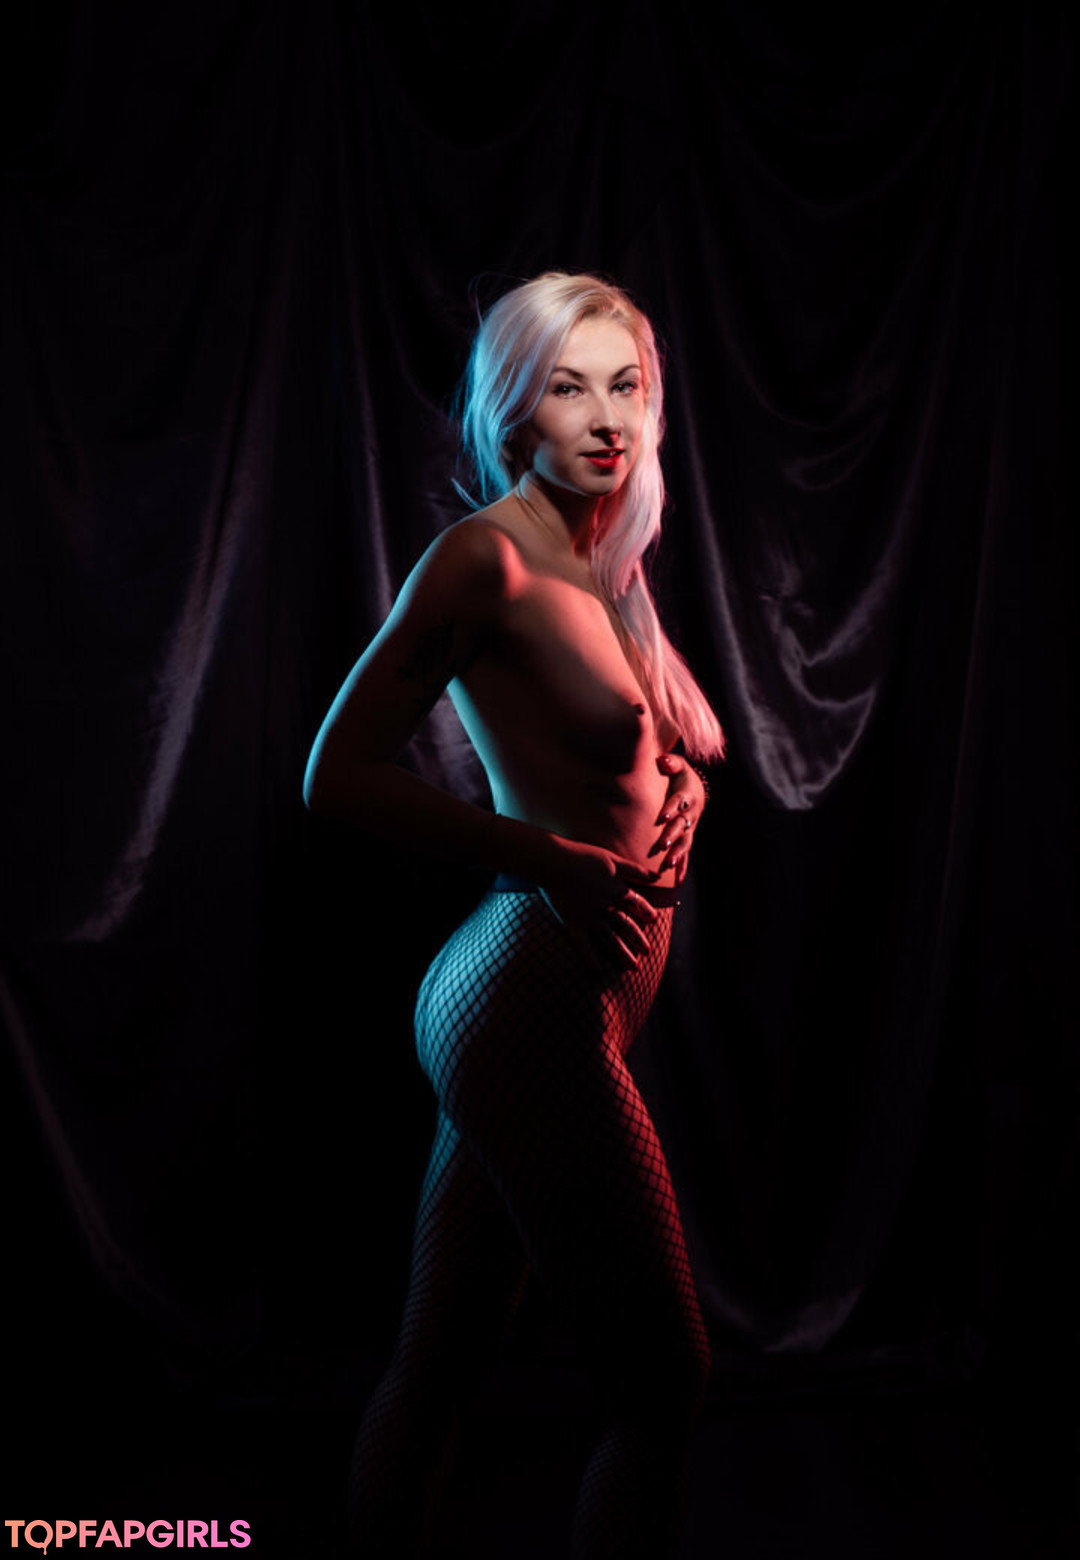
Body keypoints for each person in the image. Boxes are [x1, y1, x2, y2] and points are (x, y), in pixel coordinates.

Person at [304, 271, 725, 1558]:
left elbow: (626, 745)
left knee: (440, 1360)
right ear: (513, 411)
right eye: (568, 387)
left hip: (564, 997)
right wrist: (547, 856)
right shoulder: (483, 557)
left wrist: (684, 786)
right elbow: (335, 774)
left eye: (626, 386)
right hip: (524, 993)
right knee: (665, 1384)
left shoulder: (603, 557)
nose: (606, 417)